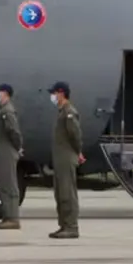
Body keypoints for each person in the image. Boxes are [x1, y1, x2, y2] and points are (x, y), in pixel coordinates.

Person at [48, 81, 85, 239]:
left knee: (67, 192)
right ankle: (64, 225)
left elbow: (75, 135)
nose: (53, 96)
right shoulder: (62, 112)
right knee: (60, 192)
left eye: (54, 93)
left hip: (67, 157)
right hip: (60, 158)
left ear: (61, 93)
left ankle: (71, 226)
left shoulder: (69, 112)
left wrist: (78, 152)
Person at [0, 83, 23, 229]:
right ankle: (7, 216)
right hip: (1, 152)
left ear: (5, 94)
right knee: (3, 184)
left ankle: (13, 218)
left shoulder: (7, 111)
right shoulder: (0, 110)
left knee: (9, 185)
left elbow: (14, 132)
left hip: (7, 152)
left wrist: (18, 147)